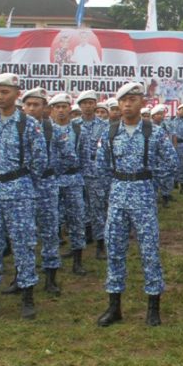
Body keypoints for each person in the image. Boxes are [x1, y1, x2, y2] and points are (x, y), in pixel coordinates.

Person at [95, 82, 178, 327]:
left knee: (149, 251)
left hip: (144, 197)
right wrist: (116, 185)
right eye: (123, 100)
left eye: (133, 100)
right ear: (118, 104)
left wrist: (151, 180)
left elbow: (171, 162)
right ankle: (114, 307)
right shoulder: (110, 133)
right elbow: (101, 167)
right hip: (118, 197)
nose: (128, 104)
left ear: (142, 103)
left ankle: (153, 307)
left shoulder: (154, 132)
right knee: (114, 250)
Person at [0, 73, 48, 320]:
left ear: (17, 94)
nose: (0, 97)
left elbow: (39, 160)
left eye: (5, 92)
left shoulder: (28, 124)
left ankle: (27, 296)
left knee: (23, 243)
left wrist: (22, 181)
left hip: (19, 188)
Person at [16, 87, 63, 297]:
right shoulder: (16, 128)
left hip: (46, 185)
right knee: (21, 232)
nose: (32, 108)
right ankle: (20, 275)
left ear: (45, 108)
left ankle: (50, 277)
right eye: (28, 105)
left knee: (49, 231)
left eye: (36, 105)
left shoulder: (54, 130)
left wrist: (51, 175)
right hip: (21, 185)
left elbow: (68, 157)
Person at [48, 93, 88, 276]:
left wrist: (84, 179)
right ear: (51, 110)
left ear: (70, 109)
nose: (61, 110)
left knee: (76, 219)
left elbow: (85, 157)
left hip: (73, 179)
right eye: (57, 107)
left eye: (64, 106)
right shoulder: (45, 130)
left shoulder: (79, 131)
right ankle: (51, 260)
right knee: (51, 220)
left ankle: (78, 260)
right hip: (51, 180)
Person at [75, 90, 108, 260]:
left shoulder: (104, 125)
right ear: (79, 106)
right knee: (78, 209)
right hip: (76, 173)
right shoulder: (73, 125)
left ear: (95, 105)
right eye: (84, 103)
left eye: (90, 103)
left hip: (96, 174)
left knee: (97, 209)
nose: (87, 106)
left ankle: (100, 244)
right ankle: (82, 239)